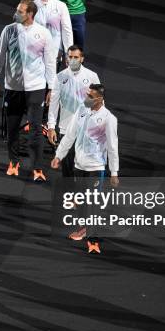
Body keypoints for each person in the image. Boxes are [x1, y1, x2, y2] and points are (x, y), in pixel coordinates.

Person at [0, 0, 56, 182]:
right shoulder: (9, 30)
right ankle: (13, 162)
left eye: (20, 11)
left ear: (30, 14)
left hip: (36, 88)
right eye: (17, 10)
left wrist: (51, 88)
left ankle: (37, 168)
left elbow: (50, 63)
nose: (15, 14)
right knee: (12, 129)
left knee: (35, 130)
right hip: (13, 88)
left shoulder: (43, 33)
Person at [50, 84, 119, 253]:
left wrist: (114, 171)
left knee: (93, 204)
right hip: (79, 165)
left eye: (90, 96)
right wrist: (59, 155)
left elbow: (112, 146)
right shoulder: (81, 110)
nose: (86, 98)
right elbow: (70, 135)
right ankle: (83, 228)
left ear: (99, 99)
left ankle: (93, 240)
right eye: (86, 94)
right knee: (80, 201)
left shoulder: (109, 118)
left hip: (96, 167)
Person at [47, 45, 99, 178]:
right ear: (66, 59)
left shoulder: (92, 76)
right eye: (70, 57)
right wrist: (51, 127)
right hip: (66, 129)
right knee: (68, 169)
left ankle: (83, 195)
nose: (73, 59)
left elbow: (99, 102)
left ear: (82, 59)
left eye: (76, 57)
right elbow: (53, 104)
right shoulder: (59, 77)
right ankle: (71, 197)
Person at [33, 0, 73, 69]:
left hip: (54, 54)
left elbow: (67, 31)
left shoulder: (61, 6)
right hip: (34, 55)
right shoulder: (31, 6)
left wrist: (69, 54)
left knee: (51, 83)